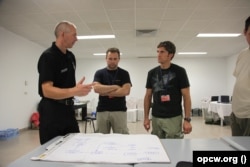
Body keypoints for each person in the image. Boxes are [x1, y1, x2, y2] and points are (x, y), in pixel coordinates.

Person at [37, 21, 93, 144]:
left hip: (68, 110)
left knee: (74, 145)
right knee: (52, 150)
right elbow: (47, 90)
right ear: (63, 34)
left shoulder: (70, 57)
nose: (76, 39)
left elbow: (66, 86)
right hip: (51, 111)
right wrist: (74, 90)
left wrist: (77, 89)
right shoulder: (48, 57)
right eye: (74, 35)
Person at [143, 41, 192, 139]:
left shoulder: (180, 71)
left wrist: (187, 120)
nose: (158, 55)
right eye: (157, 52)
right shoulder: (152, 73)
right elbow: (148, 96)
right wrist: (146, 118)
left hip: (173, 117)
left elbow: (186, 97)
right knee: (158, 146)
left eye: (162, 52)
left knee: (174, 146)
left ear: (170, 55)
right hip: (156, 117)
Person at [93, 47, 132, 134]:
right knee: (100, 138)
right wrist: (115, 87)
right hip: (102, 111)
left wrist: (104, 92)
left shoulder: (124, 73)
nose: (112, 61)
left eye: (115, 59)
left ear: (119, 59)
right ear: (106, 59)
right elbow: (96, 88)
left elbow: (126, 91)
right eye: (110, 58)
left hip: (119, 111)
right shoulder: (99, 73)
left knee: (121, 138)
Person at [231, 16, 250, 136]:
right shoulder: (242, 54)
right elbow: (240, 81)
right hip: (236, 113)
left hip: (249, 114)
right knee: (237, 149)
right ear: (244, 32)